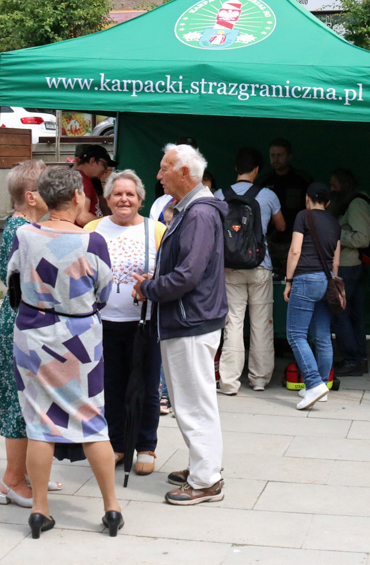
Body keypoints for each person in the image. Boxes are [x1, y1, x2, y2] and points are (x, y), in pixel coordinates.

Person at [6, 166, 122, 538]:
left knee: (40, 422)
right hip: (80, 339)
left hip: (33, 335)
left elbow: (11, 281)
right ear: (75, 196)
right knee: (92, 421)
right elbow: (105, 292)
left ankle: (39, 509)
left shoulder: (24, 235)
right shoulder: (93, 241)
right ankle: (112, 507)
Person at [133, 143, 228, 506]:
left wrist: (149, 288)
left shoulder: (198, 213)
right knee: (193, 401)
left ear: (185, 173)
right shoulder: (194, 209)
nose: (159, 176)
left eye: (164, 169)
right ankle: (204, 467)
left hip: (190, 320)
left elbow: (188, 275)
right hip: (191, 318)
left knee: (193, 404)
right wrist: (156, 282)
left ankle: (205, 480)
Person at [0, 160, 67, 508]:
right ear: (31, 195)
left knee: (31, 402)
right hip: (20, 325)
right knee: (18, 404)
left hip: (25, 322)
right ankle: (12, 480)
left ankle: (28, 473)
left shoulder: (24, 227)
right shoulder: (21, 229)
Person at [86, 170, 166, 476]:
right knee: (110, 386)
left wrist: (152, 283)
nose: (124, 199)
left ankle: (146, 445)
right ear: (107, 198)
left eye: (130, 194)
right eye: (117, 194)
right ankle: (116, 444)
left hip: (144, 322)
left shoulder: (156, 230)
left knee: (147, 386)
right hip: (102, 322)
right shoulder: (93, 229)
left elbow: (168, 274)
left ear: (141, 199)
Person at [214, 148, 286, 394]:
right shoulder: (267, 195)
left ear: (236, 169)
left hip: (230, 267)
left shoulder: (220, 195)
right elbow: (281, 226)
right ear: (257, 170)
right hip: (260, 266)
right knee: (261, 324)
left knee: (233, 323)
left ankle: (229, 382)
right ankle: (259, 379)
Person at [284, 182, 341, 410]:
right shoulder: (335, 222)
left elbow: (295, 250)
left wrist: (288, 280)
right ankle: (322, 386)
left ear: (307, 198)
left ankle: (314, 383)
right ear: (328, 202)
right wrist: (332, 281)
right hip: (327, 281)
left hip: (305, 279)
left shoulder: (303, 216)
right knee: (323, 336)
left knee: (296, 334)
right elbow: (336, 260)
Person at [330, 169, 370, 376]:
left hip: (348, 265)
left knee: (341, 313)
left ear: (345, 185)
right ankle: (358, 359)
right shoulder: (352, 202)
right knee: (354, 314)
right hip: (352, 265)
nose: (331, 190)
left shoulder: (356, 204)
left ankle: (352, 360)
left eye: (334, 185)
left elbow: (362, 238)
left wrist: (335, 234)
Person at [259, 138, 311, 274]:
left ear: (289, 156)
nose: (276, 159)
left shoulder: (302, 180)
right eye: (272, 155)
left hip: (295, 240)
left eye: (280, 155)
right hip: (269, 240)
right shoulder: (263, 181)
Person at [74, 144, 117, 225]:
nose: (106, 170)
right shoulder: (83, 179)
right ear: (92, 161)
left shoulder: (91, 181)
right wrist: (110, 224)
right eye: (104, 165)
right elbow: (82, 217)